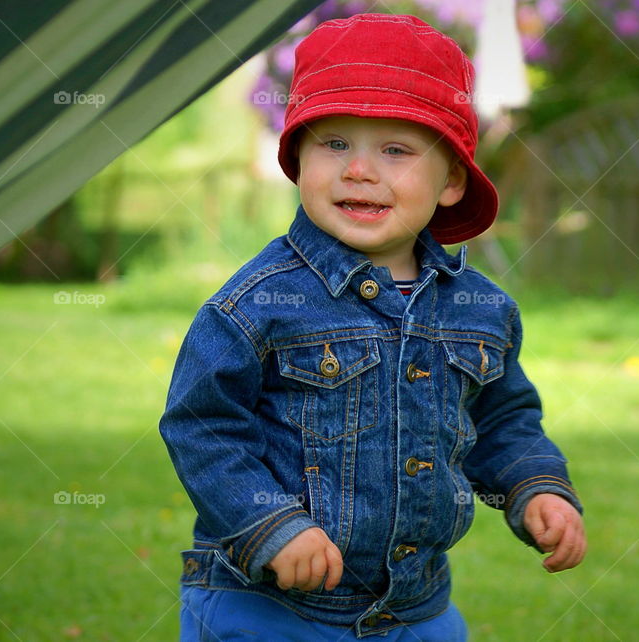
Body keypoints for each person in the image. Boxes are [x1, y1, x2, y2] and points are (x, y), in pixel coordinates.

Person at [159, 13, 585, 641]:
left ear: (452, 181)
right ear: (297, 156)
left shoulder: (480, 310)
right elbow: (203, 425)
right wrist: (272, 525)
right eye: (334, 143)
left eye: (395, 149)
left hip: (416, 608)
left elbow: (501, 419)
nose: (359, 170)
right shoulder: (258, 302)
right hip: (271, 607)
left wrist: (534, 486)